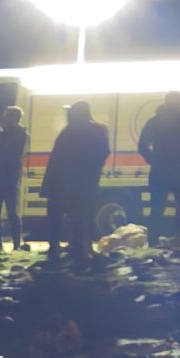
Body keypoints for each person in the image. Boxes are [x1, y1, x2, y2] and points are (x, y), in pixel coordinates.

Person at [44, 98, 111, 265]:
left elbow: (56, 158)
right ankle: (82, 248)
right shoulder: (99, 130)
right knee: (82, 216)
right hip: (85, 181)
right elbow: (104, 153)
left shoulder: (68, 131)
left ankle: (60, 249)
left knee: (58, 216)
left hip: (62, 181)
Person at [136, 90, 180, 245]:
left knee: (157, 208)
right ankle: (178, 237)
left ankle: (154, 241)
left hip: (161, 171)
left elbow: (142, 145)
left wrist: (154, 159)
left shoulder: (156, 120)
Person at [0, 105, 29, 249]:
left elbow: (4, 156)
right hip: (5, 178)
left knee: (6, 212)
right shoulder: (15, 134)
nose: (4, 118)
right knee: (6, 212)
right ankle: (9, 243)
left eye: (7, 116)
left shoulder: (16, 135)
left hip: (5, 178)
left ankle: (9, 243)